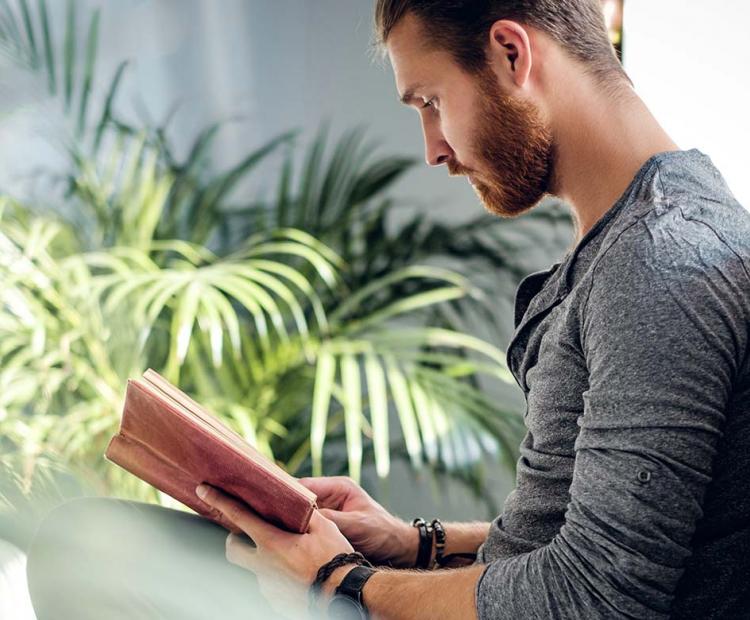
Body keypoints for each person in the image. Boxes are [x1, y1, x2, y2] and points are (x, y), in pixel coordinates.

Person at [26, 1, 750, 619]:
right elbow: (576, 532)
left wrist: (341, 582)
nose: (433, 148)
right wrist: (414, 543)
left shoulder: (658, 262)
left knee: (85, 550)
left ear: (509, 53)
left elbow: (596, 595)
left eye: (431, 102)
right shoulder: (636, 241)